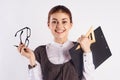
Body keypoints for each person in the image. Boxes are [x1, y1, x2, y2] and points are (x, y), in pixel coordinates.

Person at [17, 5, 95, 80]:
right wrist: (31, 58)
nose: (59, 26)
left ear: (71, 25)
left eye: (64, 21)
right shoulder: (40, 52)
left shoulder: (81, 48)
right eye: (54, 22)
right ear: (48, 25)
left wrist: (87, 51)